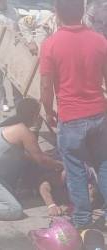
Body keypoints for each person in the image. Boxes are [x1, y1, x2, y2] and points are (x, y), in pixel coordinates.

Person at [40, 0, 107, 229]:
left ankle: (82, 222)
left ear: (57, 13)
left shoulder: (50, 44)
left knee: (76, 171)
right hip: (99, 115)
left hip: (71, 118)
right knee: (104, 165)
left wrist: (49, 112)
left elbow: (46, 87)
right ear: (82, 12)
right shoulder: (100, 41)